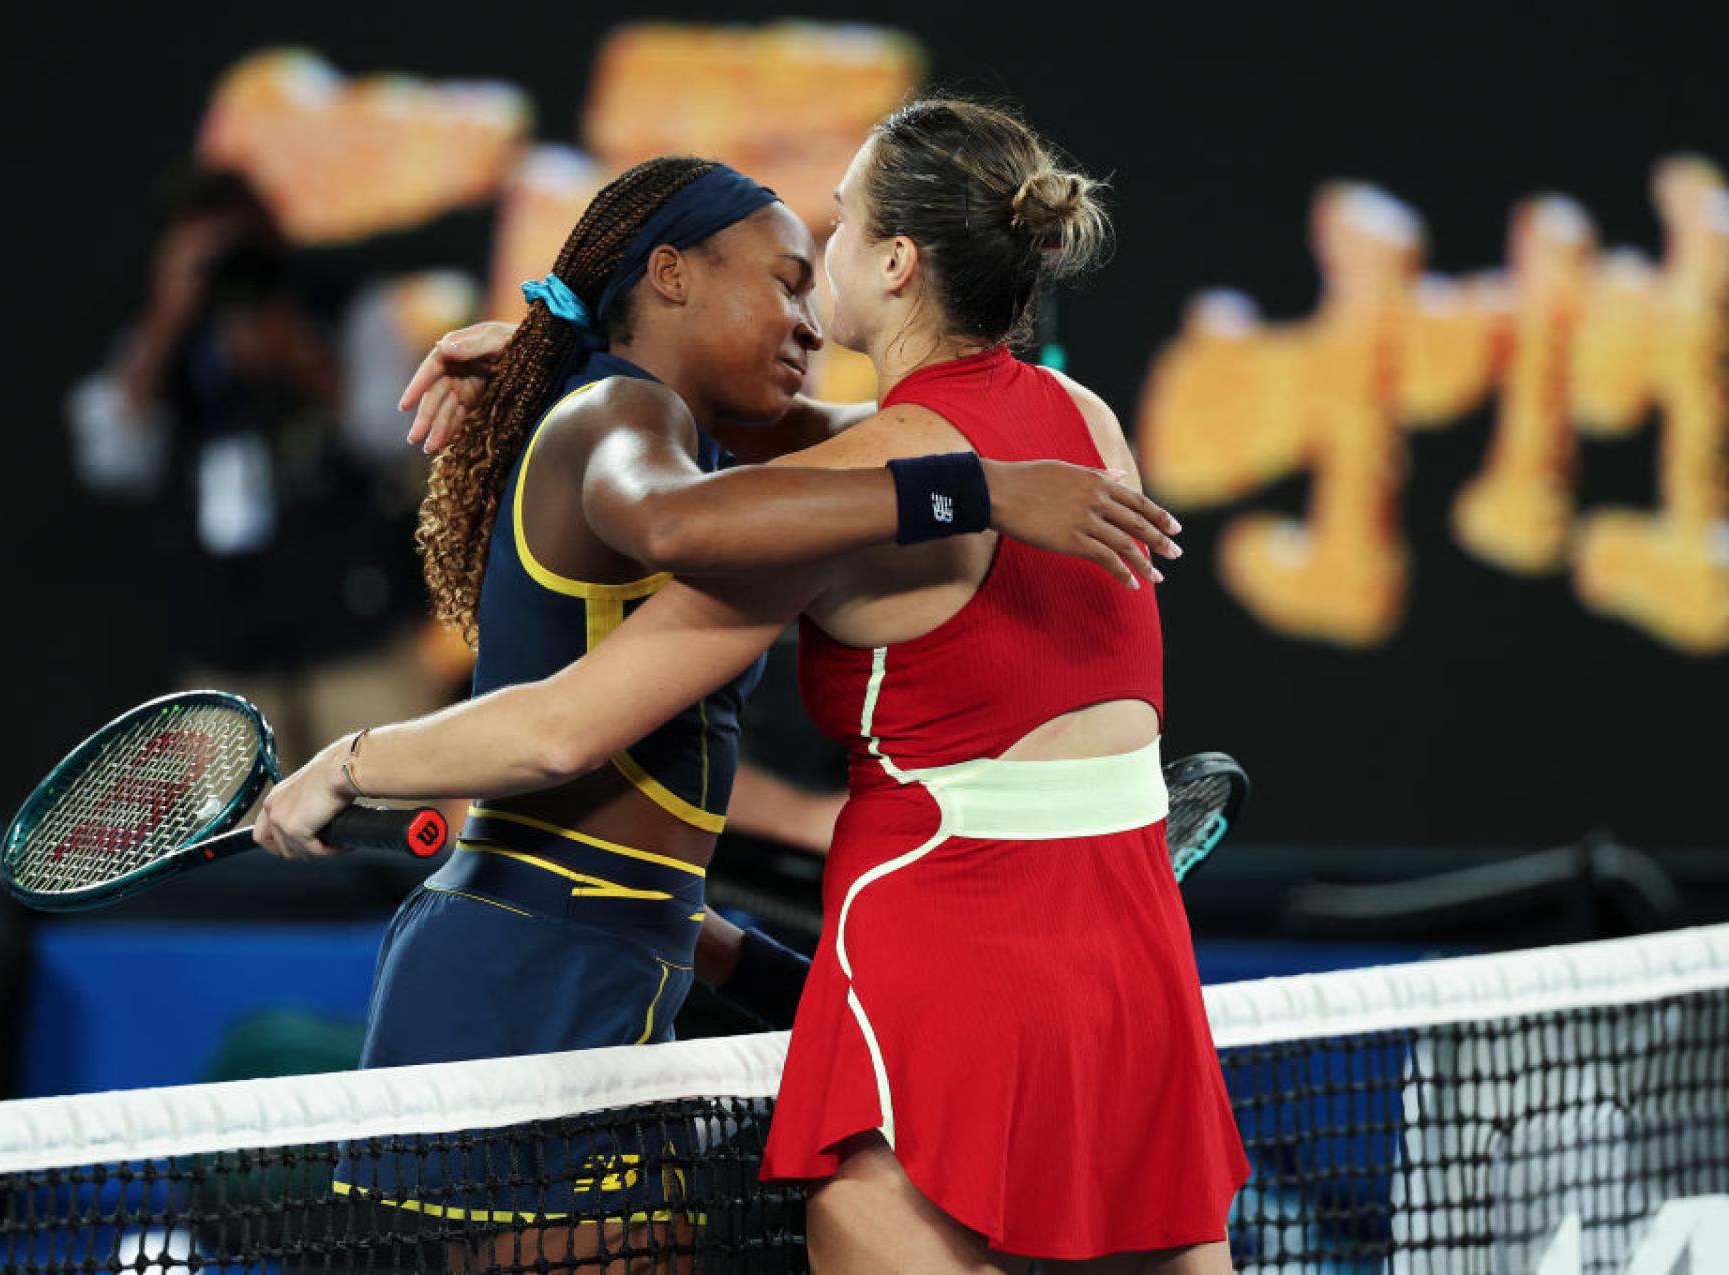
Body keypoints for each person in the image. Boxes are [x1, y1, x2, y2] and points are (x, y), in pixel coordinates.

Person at [260, 99, 1245, 1273]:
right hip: (1132, 970)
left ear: (894, 261)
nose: (811, 280)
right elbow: (813, 452)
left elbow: (572, 719)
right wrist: (555, 355)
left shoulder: (857, 484)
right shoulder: (1082, 424)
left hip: (940, 970)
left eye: (830, 241)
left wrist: (342, 762)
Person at [67, 168, 439, 768]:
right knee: (241, 839)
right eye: (203, 262)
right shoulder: (168, 347)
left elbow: (398, 435)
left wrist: (302, 360)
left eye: (235, 255)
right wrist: (165, 322)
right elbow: (110, 455)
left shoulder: (344, 308)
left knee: (392, 812)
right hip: (227, 651)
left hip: (356, 634)